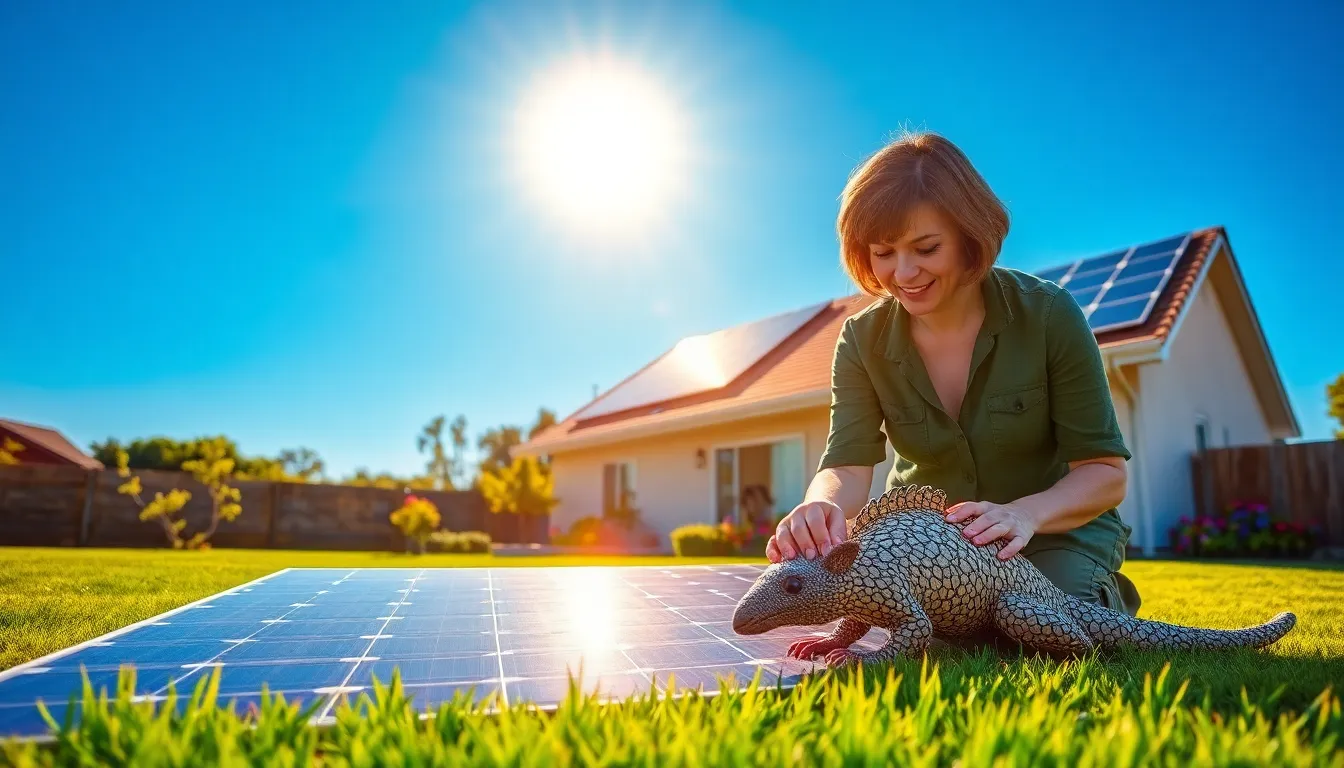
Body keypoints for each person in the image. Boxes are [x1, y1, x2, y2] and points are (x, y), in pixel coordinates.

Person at [766, 131, 1142, 616]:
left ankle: (1104, 597)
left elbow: (1104, 475)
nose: (903, 273)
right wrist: (823, 506)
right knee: (929, 625)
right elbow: (846, 464)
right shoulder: (861, 339)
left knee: (1044, 620)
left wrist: (1023, 514)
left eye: (925, 248)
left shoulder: (1049, 314)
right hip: (932, 550)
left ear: (969, 236)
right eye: (883, 252)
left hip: (1051, 536)